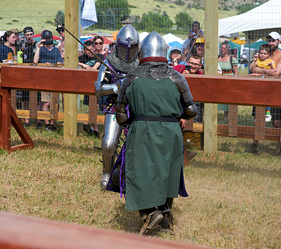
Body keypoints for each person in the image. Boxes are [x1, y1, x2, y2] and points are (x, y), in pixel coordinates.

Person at [115, 31, 197, 235]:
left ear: (142, 52)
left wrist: (133, 118)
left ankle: (151, 213)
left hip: (142, 130)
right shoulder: (176, 76)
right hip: (171, 131)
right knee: (168, 171)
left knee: (138, 170)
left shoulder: (132, 76)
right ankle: (165, 213)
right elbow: (192, 110)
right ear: (164, 52)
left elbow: (120, 114)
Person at [94, 24, 140, 190]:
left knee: (137, 145)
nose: (128, 50)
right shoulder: (109, 62)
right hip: (115, 105)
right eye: (125, 46)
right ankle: (107, 172)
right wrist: (115, 87)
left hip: (136, 107)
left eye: (132, 47)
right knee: (108, 143)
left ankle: (132, 176)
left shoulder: (141, 63)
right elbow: (98, 88)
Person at [246, 31, 281, 157]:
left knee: (277, 121)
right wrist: (265, 71)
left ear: (278, 42)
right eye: (269, 40)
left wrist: (259, 72)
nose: (270, 43)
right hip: (261, 91)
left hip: (276, 91)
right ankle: (254, 146)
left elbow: (277, 72)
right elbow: (252, 68)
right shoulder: (262, 53)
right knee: (258, 118)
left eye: (273, 40)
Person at [34, 30, 63, 131]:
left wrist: (52, 65)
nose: (47, 41)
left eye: (48, 39)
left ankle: (52, 122)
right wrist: (38, 47)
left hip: (55, 78)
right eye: (44, 39)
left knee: (55, 103)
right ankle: (46, 123)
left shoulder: (56, 50)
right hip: (44, 78)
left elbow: (60, 62)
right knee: (46, 102)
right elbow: (35, 61)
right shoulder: (41, 50)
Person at [78, 40, 101, 138]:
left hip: (96, 85)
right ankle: (93, 128)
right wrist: (83, 65)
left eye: (91, 49)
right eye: (87, 50)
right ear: (84, 50)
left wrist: (87, 68)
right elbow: (74, 60)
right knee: (92, 107)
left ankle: (89, 125)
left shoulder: (98, 57)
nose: (89, 52)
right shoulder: (82, 58)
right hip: (87, 86)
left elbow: (94, 68)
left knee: (95, 106)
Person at [250, 44, 276, 122]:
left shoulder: (270, 61)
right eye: (261, 53)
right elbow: (251, 68)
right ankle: (256, 115)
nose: (262, 55)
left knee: (267, 98)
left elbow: (274, 71)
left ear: (268, 54)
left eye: (265, 54)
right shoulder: (257, 61)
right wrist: (254, 60)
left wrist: (271, 66)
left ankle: (268, 112)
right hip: (258, 84)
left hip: (267, 84)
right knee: (257, 99)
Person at [218, 40, 238, 120]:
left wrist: (235, 81)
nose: (221, 49)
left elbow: (236, 71)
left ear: (227, 49)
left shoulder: (232, 59)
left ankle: (226, 116)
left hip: (229, 79)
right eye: (221, 48)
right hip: (220, 79)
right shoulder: (217, 57)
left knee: (228, 98)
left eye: (223, 48)